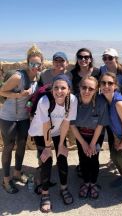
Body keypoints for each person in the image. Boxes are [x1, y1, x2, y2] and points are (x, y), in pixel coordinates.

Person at [28, 74, 77, 213]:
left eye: (63, 88)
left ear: (69, 90)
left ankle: (64, 188)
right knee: (46, 161)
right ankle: (45, 194)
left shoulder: (72, 100)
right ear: (52, 89)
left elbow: (66, 122)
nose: (59, 91)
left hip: (58, 130)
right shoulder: (44, 101)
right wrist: (48, 148)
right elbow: (45, 125)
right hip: (40, 132)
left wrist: (61, 144)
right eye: (56, 88)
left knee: (62, 157)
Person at [0, 45, 43, 194]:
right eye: (32, 63)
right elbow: (2, 91)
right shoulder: (18, 76)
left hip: (23, 117)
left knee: (22, 144)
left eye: (38, 64)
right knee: (8, 146)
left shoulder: (37, 79)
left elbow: (31, 99)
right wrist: (19, 95)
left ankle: (17, 173)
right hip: (8, 117)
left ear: (41, 65)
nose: (35, 67)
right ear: (27, 63)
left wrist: (30, 103)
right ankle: (6, 180)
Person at [71, 76, 108, 199]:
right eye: (84, 87)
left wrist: (92, 144)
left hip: (96, 135)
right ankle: (86, 182)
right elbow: (72, 125)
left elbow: (100, 124)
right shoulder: (73, 101)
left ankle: (93, 183)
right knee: (82, 157)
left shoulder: (101, 102)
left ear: (96, 89)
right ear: (79, 87)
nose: (87, 91)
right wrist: (83, 143)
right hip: (80, 134)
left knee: (93, 158)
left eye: (91, 89)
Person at [68, 48, 101, 177]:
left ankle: (92, 176)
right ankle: (83, 169)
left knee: (94, 148)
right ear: (77, 59)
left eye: (86, 57)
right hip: (80, 114)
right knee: (81, 146)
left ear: (91, 59)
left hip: (95, 114)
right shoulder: (72, 74)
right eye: (80, 57)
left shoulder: (98, 72)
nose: (83, 59)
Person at [100, 48, 122, 168]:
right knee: (110, 134)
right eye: (105, 58)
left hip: (121, 106)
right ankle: (113, 158)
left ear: (116, 58)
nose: (107, 60)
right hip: (108, 106)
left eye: (110, 58)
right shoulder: (102, 69)